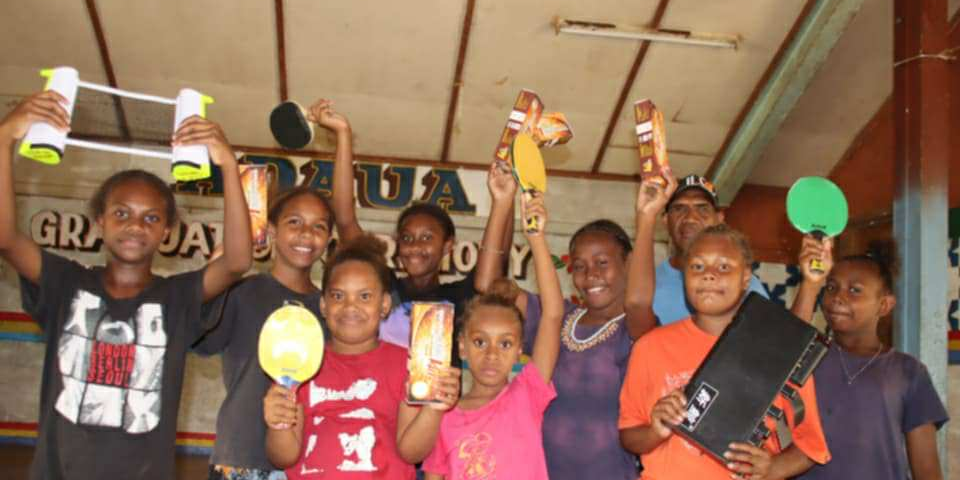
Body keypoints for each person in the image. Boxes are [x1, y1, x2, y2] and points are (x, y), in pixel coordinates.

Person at [0, 91, 253, 479]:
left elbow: (236, 261)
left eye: (151, 218)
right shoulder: (65, 282)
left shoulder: (177, 298)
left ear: (167, 232)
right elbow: (5, 237)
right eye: (122, 213)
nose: (136, 225)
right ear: (99, 220)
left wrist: (227, 166)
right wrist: (5, 138)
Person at [619, 219, 831, 480]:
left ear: (745, 278)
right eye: (697, 266)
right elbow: (629, 436)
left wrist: (773, 469)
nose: (709, 274)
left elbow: (811, 446)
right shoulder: (650, 347)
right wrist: (656, 430)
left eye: (723, 266)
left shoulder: (777, 350)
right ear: (684, 275)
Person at [263, 235, 461, 479]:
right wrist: (277, 422)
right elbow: (282, 457)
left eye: (365, 296)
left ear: (385, 304)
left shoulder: (408, 365)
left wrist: (434, 408)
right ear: (323, 305)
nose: (350, 306)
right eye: (338, 296)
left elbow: (412, 453)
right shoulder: (298, 361)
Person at [327, 96, 513, 349]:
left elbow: (496, 257)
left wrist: (505, 198)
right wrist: (343, 135)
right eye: (407, 237)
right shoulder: (383, 285)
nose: (415, 246)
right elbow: (345, 219)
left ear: (448, 246)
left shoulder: (459, 296)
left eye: (427, 237)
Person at [196, 186, 335, 480]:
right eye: (294, 222)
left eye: (319, 226)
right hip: (240, 456)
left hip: (305, 461)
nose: (306, 234)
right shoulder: (241, 291)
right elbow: (201, 342)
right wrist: (213, 274)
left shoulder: (330, 310)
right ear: (271, 229)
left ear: (329, 239)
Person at [421, 193, 562, 479]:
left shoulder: (527, 393)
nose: (492, 354)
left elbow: (552, 314)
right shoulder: (442, 414)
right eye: (480, 341)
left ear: (519, 350)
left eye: (505, 343)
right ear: (461, 346)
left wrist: (535, 237)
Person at [793, 241, 949, 480]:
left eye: (854, 290)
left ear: (884, 305)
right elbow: (784, 348)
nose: (837, 298)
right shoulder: (809, 356)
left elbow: (927, 469)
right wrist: (810, 285)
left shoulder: (908, 371)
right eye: (832, 287)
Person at [653, 174, 767, 325]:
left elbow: (778, 339)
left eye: (702, 209)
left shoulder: (741, 283)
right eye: (679, 208)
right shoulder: (650, 285)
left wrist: (809, 285)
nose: (690, 218)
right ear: (666, 220)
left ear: (719, 218)